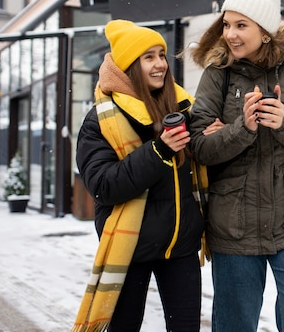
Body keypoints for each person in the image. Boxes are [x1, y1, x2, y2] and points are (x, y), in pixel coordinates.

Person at [187, 0, 284, 332]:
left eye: (241, 25)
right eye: (226, 24)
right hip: (233, 222)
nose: (230, 34)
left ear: (265, 30)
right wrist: (244, 128)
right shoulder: (217, 75)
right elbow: (200, 147)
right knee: (234, 324)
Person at [72, 19, 208, 332]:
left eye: (161, 55)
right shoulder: (101, 121)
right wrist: (158, 150)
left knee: (186, 328)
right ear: (131, 66)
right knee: (124, 327)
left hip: (180, 243)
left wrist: (208, 138)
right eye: (149, 57)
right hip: (130, 246)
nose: (160, 64)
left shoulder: (183, 108)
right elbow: (104, 186)